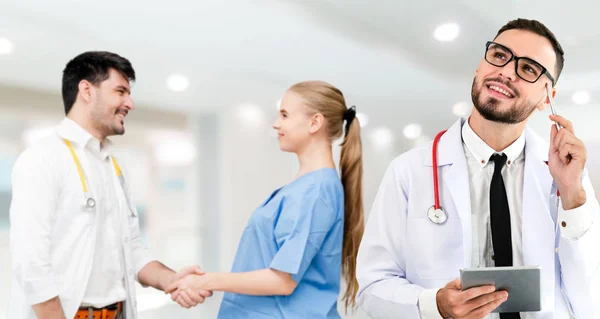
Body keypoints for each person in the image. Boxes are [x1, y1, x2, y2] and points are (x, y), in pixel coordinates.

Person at [356, 18, 600, 319]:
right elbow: (371, 288)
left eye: (528, 69)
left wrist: (572, 196)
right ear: (479, 66)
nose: (506, 71)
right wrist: (434, 305)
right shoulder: (408, 171)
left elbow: (591, 298)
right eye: (499, 55)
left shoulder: (568, 177)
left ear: (546, 98)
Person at [8, 51, 211, 319]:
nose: (130, 103)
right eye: (120, 91)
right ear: (86, 90)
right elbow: (31, 262)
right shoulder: (42, 159)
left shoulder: (113, 166)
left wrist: (172, 279)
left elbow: (133, 250)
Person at [166, 81, 365, 318]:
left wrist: (205, 281)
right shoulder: (305, 187)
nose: (276, 123)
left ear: (315, 123)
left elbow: (283, 280)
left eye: (285, 115)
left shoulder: (317, 190)